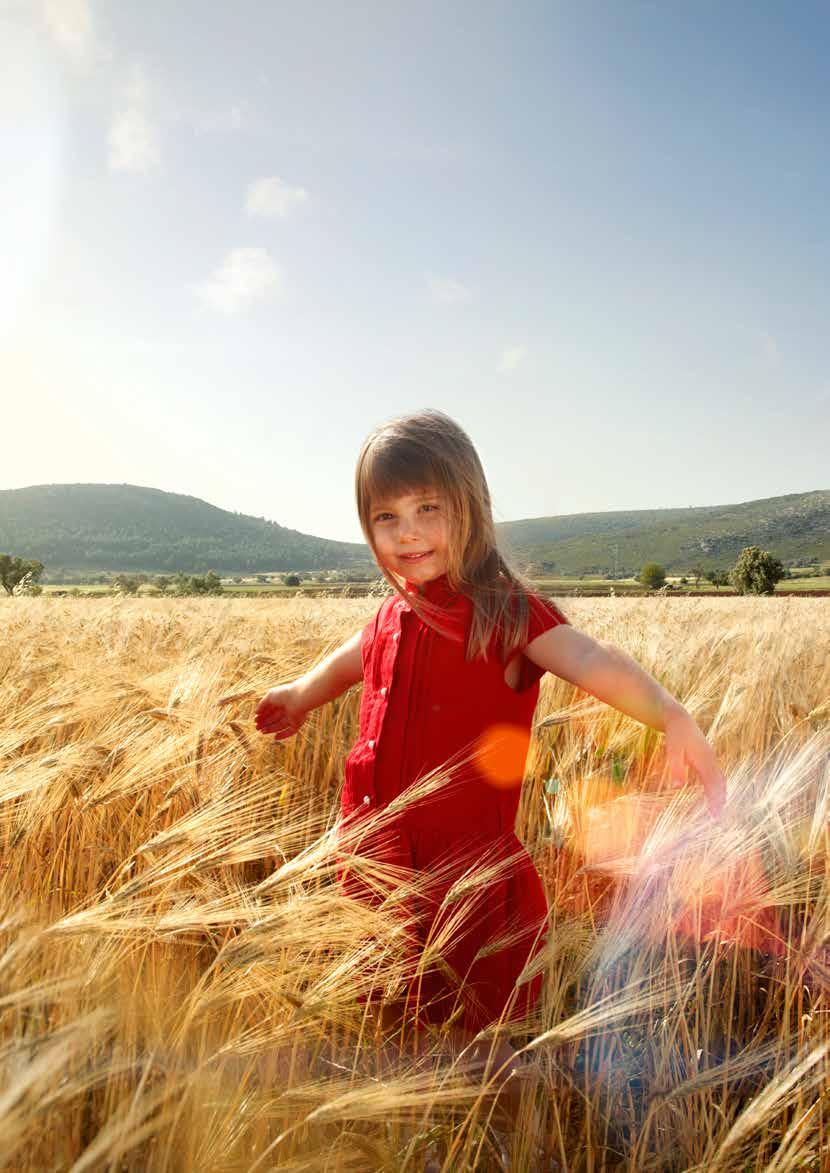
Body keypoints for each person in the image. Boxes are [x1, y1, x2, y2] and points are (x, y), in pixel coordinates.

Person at [254, 408, 726, 1095]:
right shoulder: (390, 615)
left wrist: (672, 713)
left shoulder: (506, 614)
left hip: (463, 881)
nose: (407, 529)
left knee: (475, 1036)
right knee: (384, 1013)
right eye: (385, 516)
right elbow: (351, 660)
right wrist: (300, 693)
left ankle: (481, 1131)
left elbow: (590, 658)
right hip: (375, 861)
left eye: (428, 507)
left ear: (470, 507)